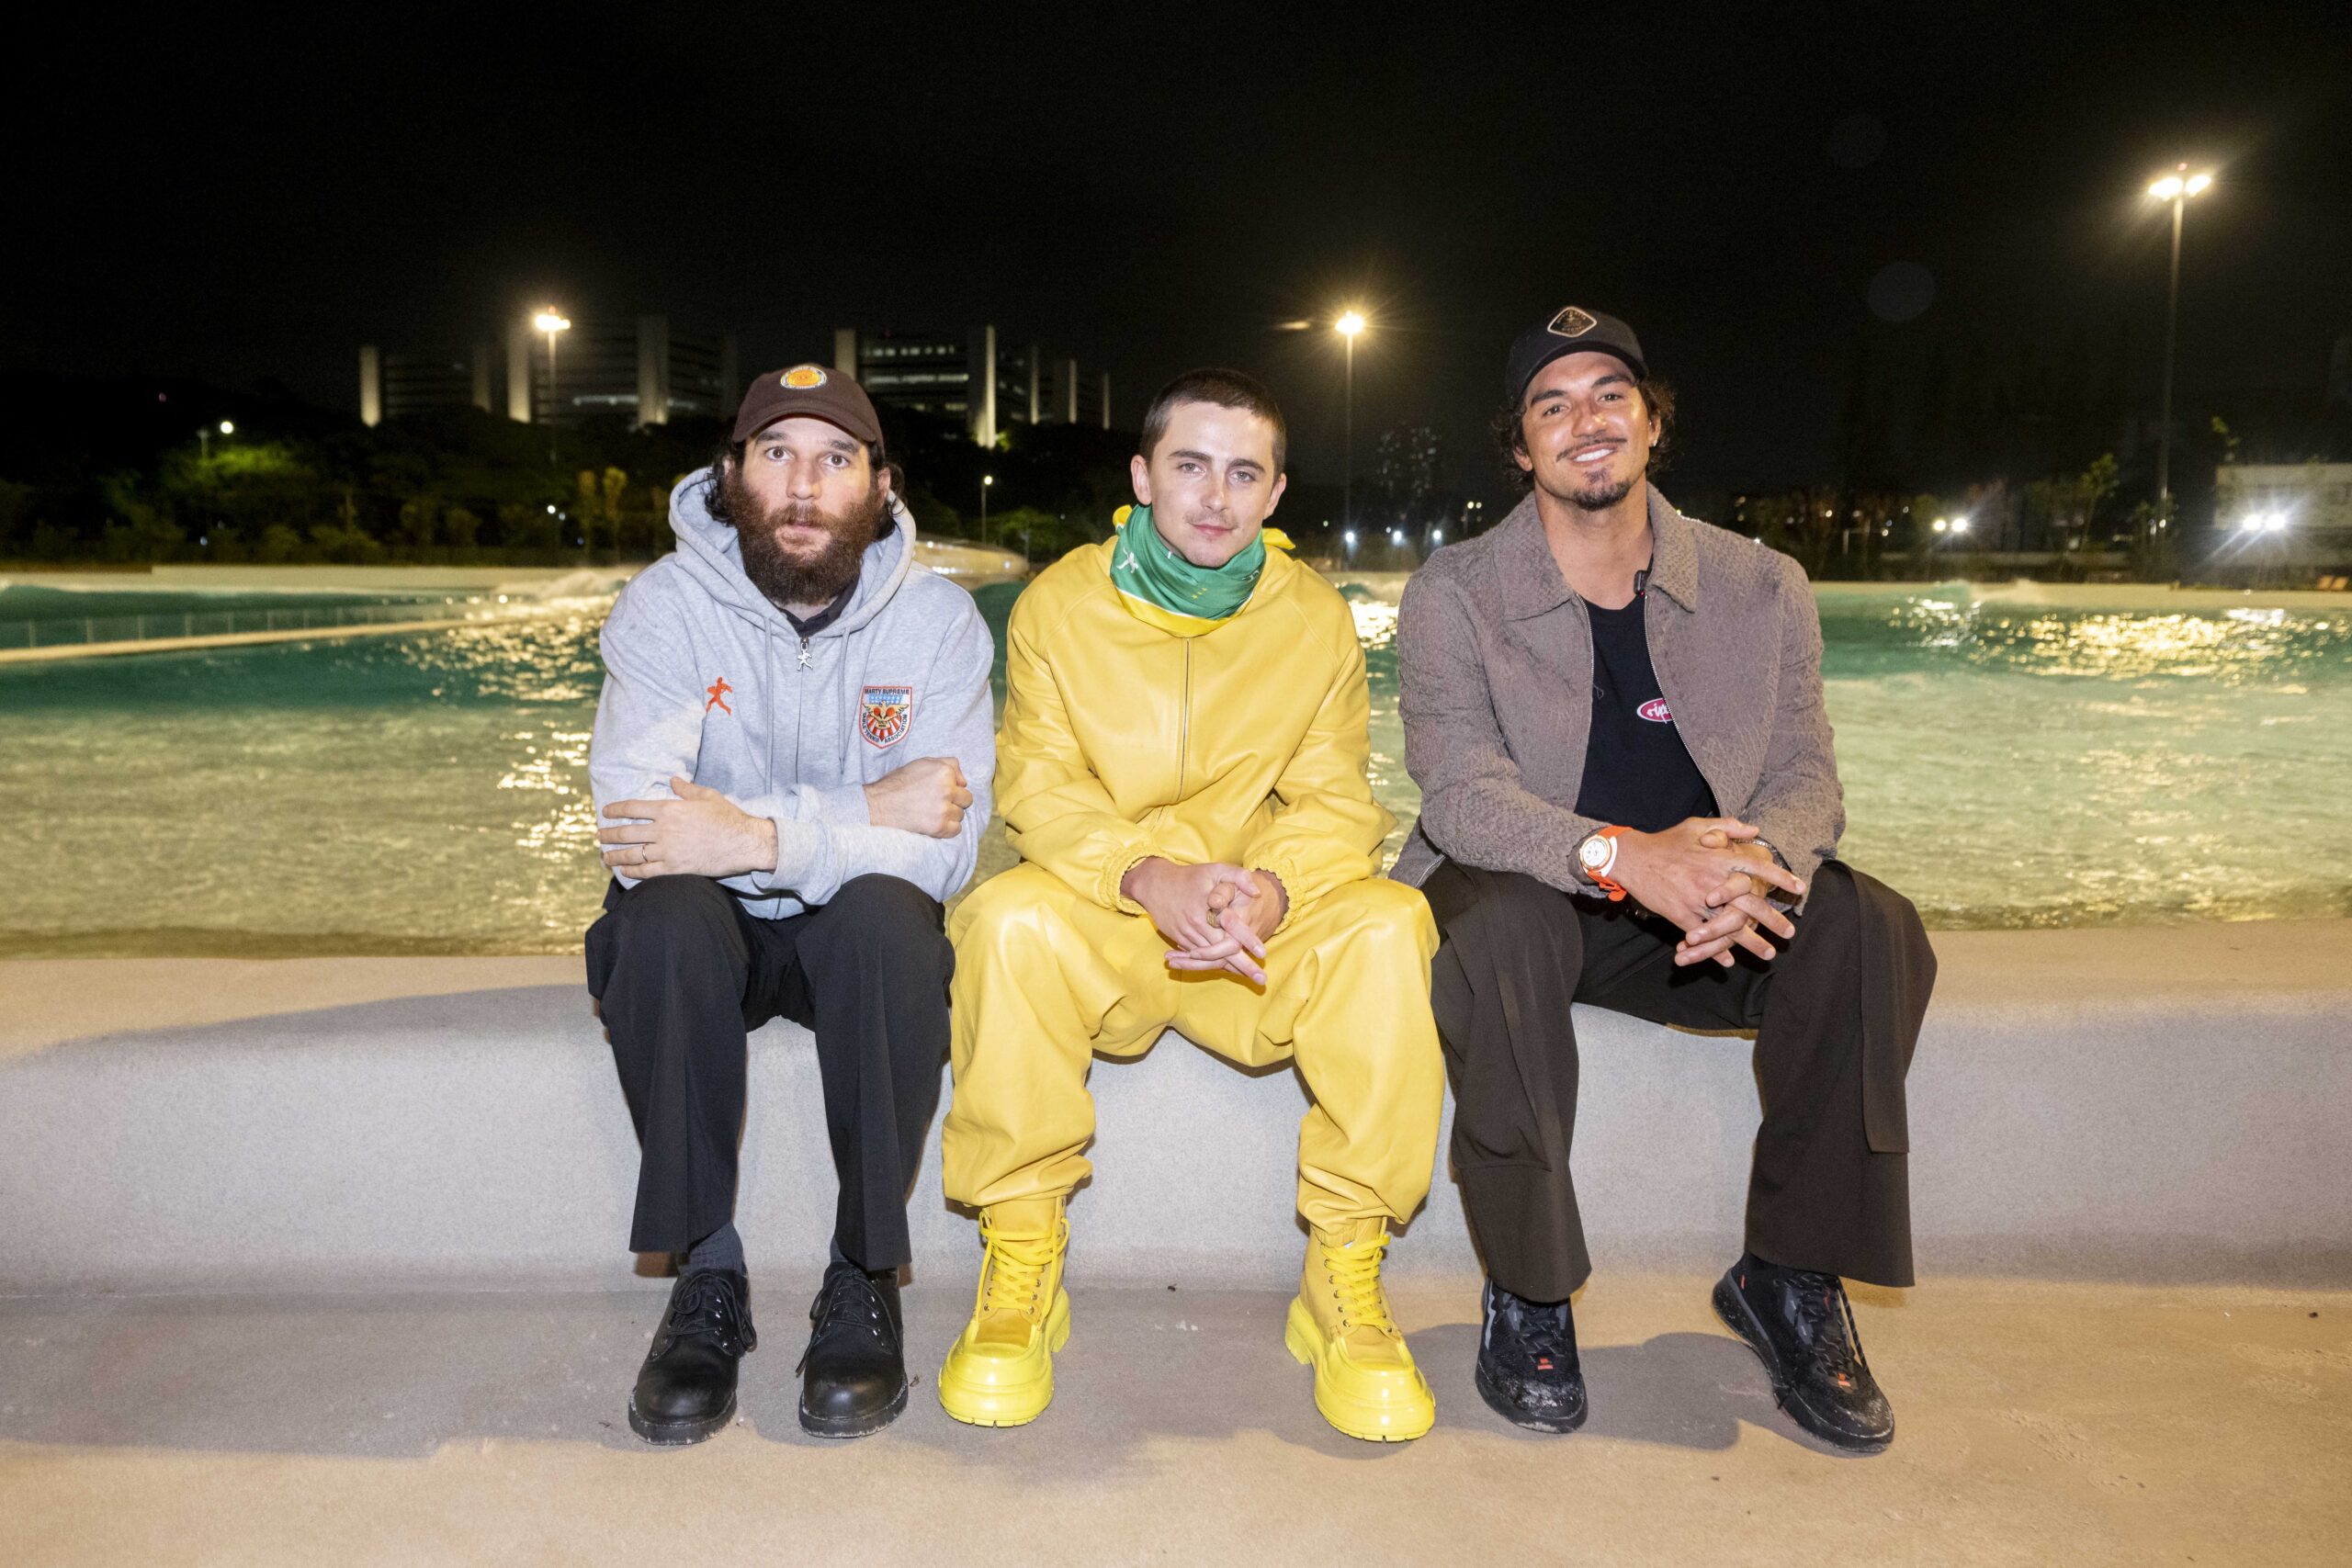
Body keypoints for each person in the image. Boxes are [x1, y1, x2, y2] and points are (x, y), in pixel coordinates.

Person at [1394, 309, 1936, 1452]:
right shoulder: (1456, 590)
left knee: (1865, 925)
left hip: (1694, 916)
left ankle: (1788, 1278)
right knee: (1496, 935)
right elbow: (1459, 794)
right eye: (1552, 404)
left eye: (1608, 395)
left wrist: (1754, 866)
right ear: (1519, 445)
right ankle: (1530, 1292)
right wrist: (1624, 856)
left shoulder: (1760, 583)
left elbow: (1803, 771)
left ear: (1651, 420)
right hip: (1535, 888)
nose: (1584, 422)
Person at [936, 369, 1446, 1442]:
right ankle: (1023, 1257)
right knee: (1003, 920)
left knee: (1391, 924)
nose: (1214, 497)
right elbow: (1036, 783)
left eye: (1243, 473)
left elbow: (1334, 796)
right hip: (1115, 918)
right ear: (1142, 476)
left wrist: (1269, 887)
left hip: (1249, 935)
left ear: (1274, 492)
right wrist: (1146, 875)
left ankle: (1343, 1274)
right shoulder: (1057, 607)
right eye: (1190, 466)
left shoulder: (1314, 621)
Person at [586, 365, 994, 1442]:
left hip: (849, 946)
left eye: (834, 458)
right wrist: (862, 807)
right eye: (776, 454)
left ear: (882, 486)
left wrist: (752, 835)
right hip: (711, 931)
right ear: (730, 478)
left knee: (887, 923)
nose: (804, 485)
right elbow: (639, 834)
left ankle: (862, 1276)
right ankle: (705, 1274)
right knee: (662, 917)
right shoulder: (666, 609)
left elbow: (939, 857)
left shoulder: (940, 626)